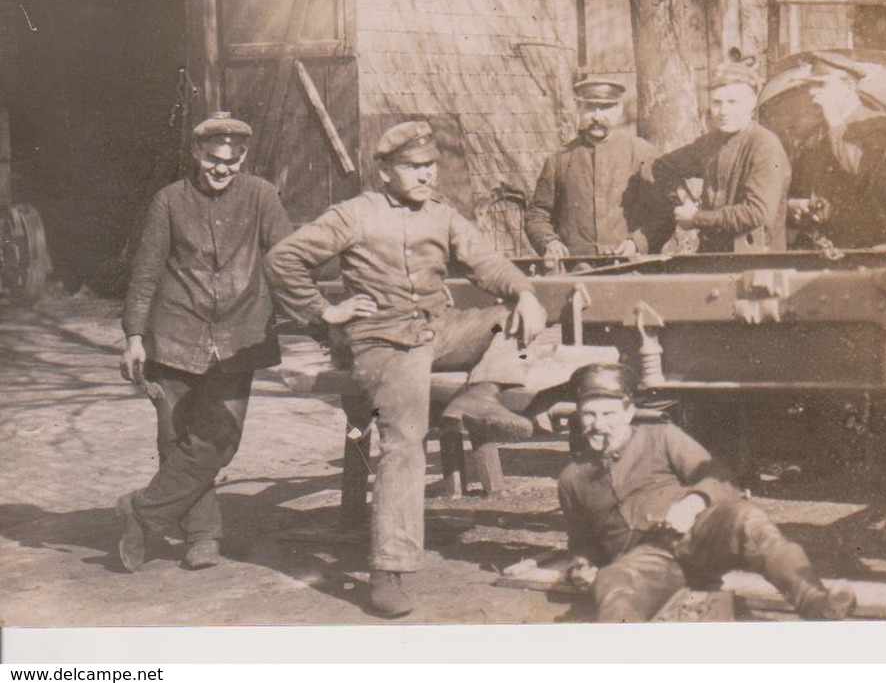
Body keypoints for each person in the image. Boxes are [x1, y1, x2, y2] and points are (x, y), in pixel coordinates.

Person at [266, 120, 549, 618]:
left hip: (437, 330)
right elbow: (283, 259)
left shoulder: (443, 216)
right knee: (404, 442)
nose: (425, 176)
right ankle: (387, 571)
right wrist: (323, 312)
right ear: (385, 171)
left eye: (430, 166)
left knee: (514, 319)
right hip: (383, 342)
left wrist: (524, 291)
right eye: (412, 168)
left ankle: (481, 392)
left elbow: (487, 262)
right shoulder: (354, 214)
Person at [115, 112, 293, 574]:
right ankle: (203, 536)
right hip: (173, 332)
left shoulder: (261, 196)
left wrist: (315, 310)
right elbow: (146, 271)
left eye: (231, 163)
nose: (222, 170)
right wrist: (133, 336)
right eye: (214, 160)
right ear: (197, 153)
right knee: (175, 439)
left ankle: (142, 511)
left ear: (243, 158)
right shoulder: (169, 201)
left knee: (219, 438)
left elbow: (289, 256)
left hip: (241, 336)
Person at [558, 362, 857, 622]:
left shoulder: (661, 437)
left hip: (699, 538)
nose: (599, 425)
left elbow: (720, 477)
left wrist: (692, 503)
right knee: (613, 581)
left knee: (748, 519)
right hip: (646, 562)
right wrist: (580, 566)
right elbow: (582, 543)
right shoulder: (572, 479)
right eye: (589, 415)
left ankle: (816, 604)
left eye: (608, 414)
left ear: (628, 411)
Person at [524, 75, 671, 269]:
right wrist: (549, 242)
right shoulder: (559, 159)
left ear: (619, 109)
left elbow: (665, 213)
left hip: (630, 269)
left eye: (606, 107)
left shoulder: (641, 153)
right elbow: (537, 215)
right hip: (575, 270)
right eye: (590, 107)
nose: (597, 116)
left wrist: (637, 243)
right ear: (578, 108)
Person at [787, 51, 886, 248]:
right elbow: (797, 187)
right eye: (811, 85)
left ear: (850, 87)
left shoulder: (881, 126)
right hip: (816, 246)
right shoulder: (813, 134)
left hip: (865, 247)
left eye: (822, 84)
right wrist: (792, 205)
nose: (812, 92)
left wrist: (835, 123)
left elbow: (863, 174)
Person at [653, 59, 790, 254]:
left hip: (757, 260)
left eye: (732, 102)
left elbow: (758, 214)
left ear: (751, 102)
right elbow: (663, 166)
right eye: (716, 103)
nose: (723, 111)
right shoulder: (710, 143)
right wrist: (684, 200)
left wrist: (696, 217)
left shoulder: (765, 146)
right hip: (712, 256)